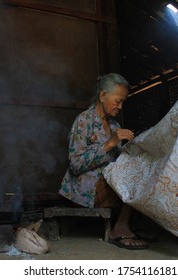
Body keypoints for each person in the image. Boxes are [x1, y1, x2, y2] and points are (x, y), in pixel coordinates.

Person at [59, 73, 148, 250]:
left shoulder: (114, 126)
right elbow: (75, 165)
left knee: (141, 168)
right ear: (102, 96)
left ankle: (125, 224)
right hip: (86, 187)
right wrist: (110, 144)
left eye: (123, 102)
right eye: (117, 101)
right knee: (131, 178)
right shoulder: (83, 121)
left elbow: (118, 162)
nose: (120, 106)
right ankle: (120, 227)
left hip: (107, 182)